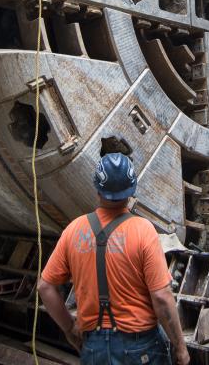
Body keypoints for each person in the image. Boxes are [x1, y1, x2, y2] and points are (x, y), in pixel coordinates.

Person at [37, 152, 190, 365]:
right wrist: (180, 348)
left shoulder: (74, 230)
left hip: (94, 347)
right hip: (140, 346)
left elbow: (45, 287)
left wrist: (69, 328)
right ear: (132, 189)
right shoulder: (143, 230)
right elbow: (162, 298)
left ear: (97, 188)